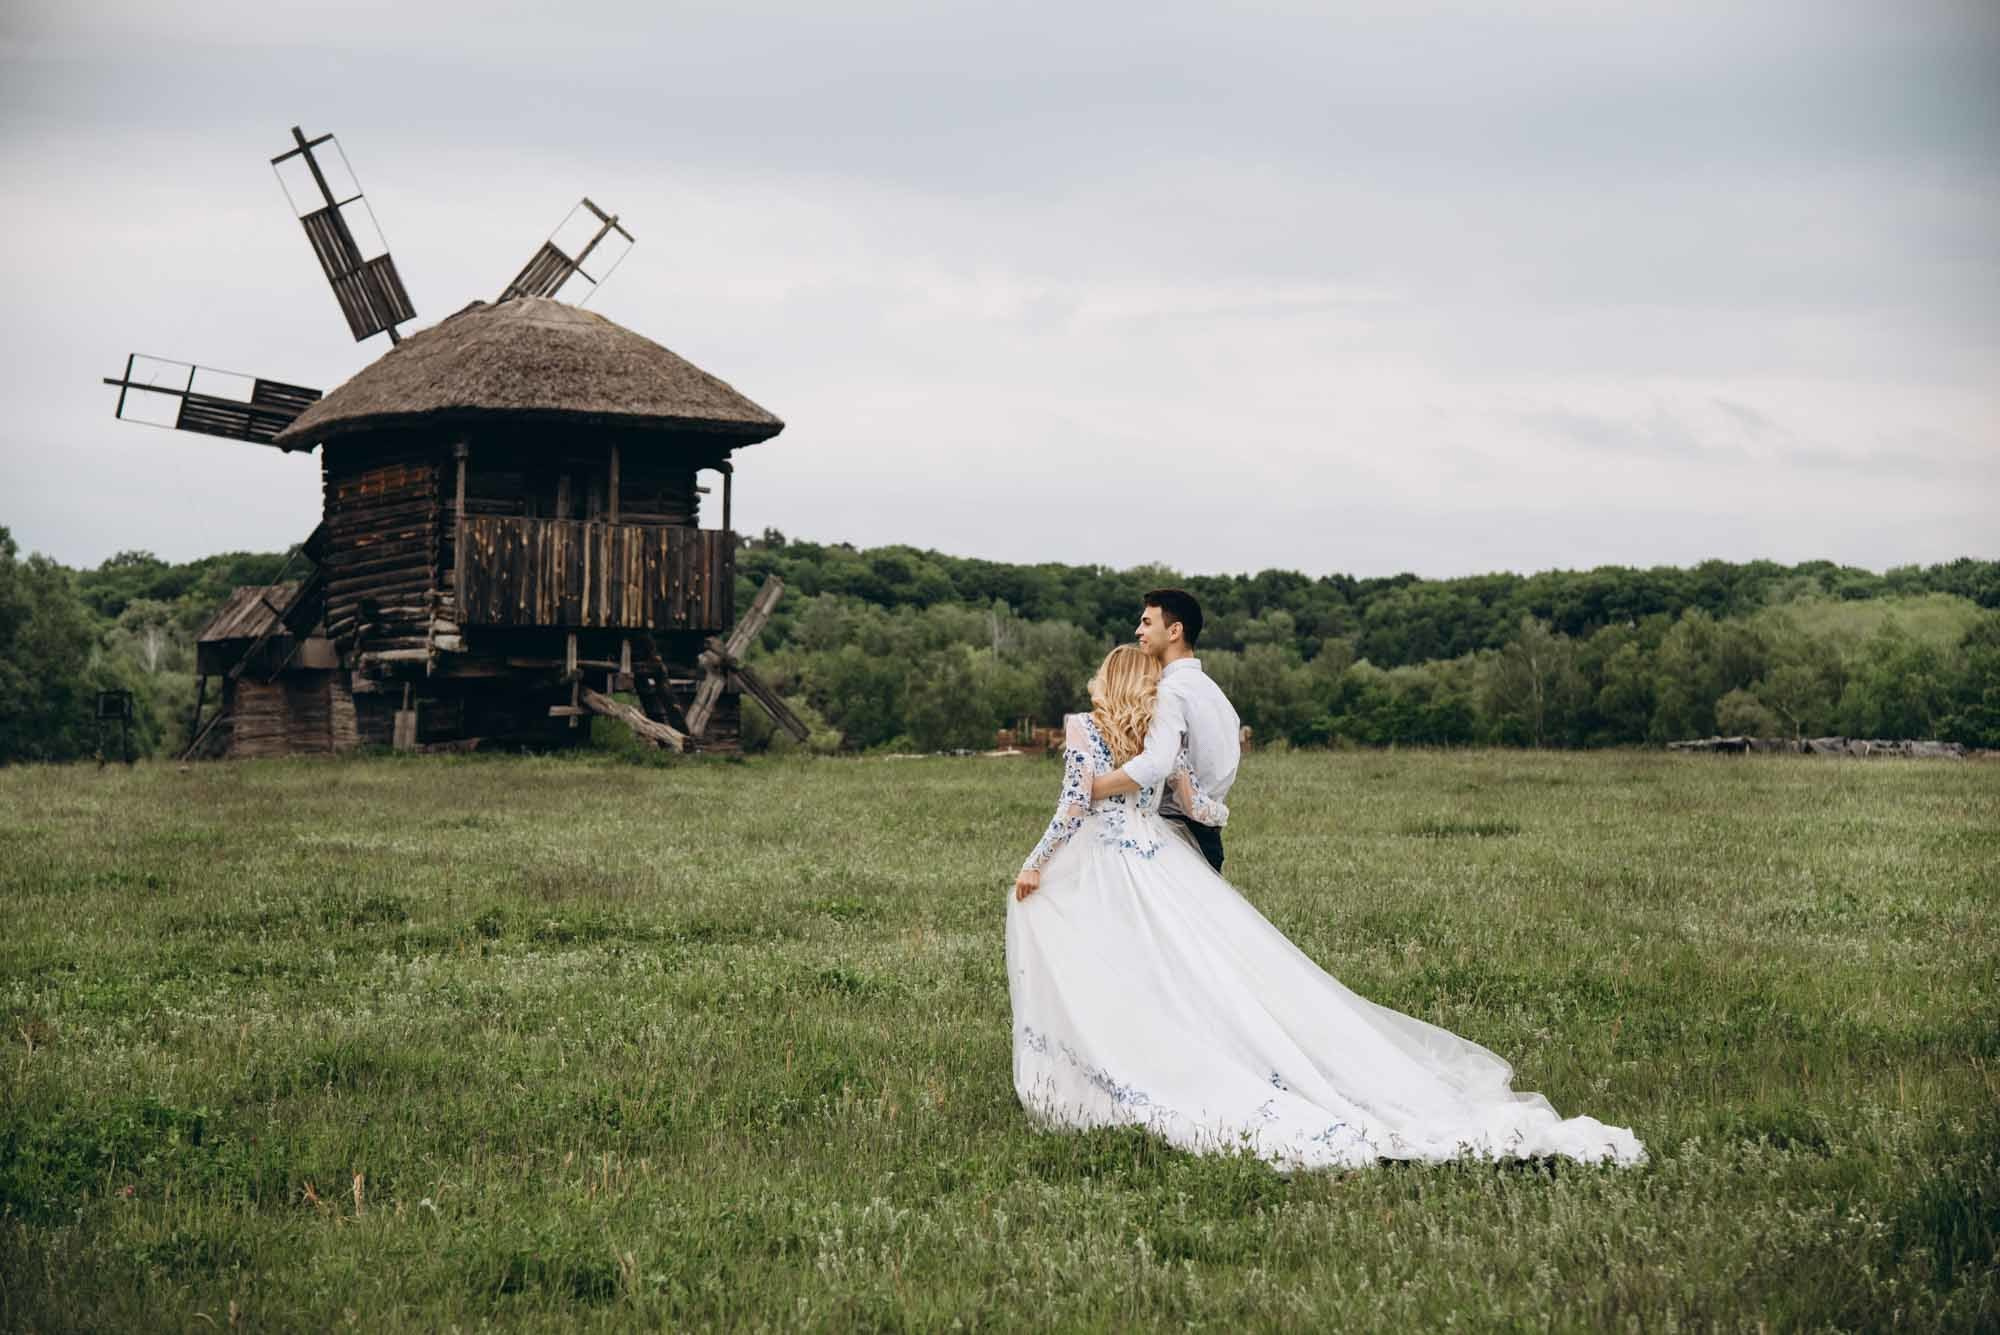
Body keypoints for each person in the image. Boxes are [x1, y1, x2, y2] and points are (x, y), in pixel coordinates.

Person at [1006, 644, 1645, 1172]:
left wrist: (1033, 865)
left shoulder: (1083, 730)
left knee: (1108, 963)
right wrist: (1199, 820)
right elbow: (1200, 807)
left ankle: (1111, 1069)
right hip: (1158, 858)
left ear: (1106, 681)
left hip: (1103, 865)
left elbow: (1071, 808)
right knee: (1191, 971)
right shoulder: (1157, 733)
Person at [1089, 589, 1237, 872]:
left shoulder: (1169, 693)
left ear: (1174, 631)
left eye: (1146, 622)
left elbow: (1155, 764)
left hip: (1175, 838)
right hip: (1210, 837)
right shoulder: (1218, 697)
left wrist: (1090, 788)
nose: (1138, 631)